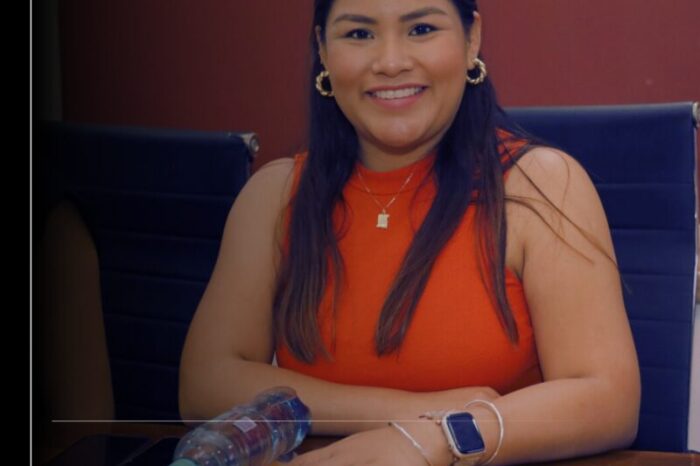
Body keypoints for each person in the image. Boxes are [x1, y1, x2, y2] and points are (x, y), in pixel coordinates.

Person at [179, 0, 641, 464]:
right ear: (322, 49)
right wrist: (408, 415)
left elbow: (607, 400)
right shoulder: (275, 197)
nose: (391, 61)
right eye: (359, 34)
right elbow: (205, 383)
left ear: (471, 39)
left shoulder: (540, 185)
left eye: (421, 29)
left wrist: (434, 440)